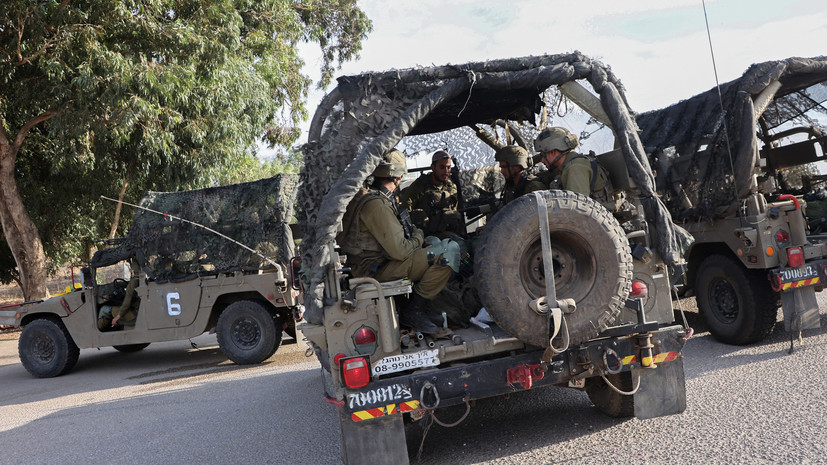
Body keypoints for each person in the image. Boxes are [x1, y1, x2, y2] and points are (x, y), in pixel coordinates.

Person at [337, 149, 456, 336]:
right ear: (399, 177)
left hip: (376, 264)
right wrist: (418, 235)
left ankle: (418, 308)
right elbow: (400, 251)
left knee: (436, 244)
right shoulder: (377, 204)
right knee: (450, 251)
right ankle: (413, 310)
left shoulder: (373, 198)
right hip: (376, 271)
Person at [533, 127, 612, 202]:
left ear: (553, 152)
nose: (542, 160)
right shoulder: (568, 166)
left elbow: (577, 210)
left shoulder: (576, 168)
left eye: (543, 155)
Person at [399, 150, 463, 237]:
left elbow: (453, 209)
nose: (446, 171)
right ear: (433, 167)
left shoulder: (451, 187)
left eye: (448, 167)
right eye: (442, 167)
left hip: (445, 233)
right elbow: (405, 211)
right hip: (422, 236)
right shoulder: (419, 185)